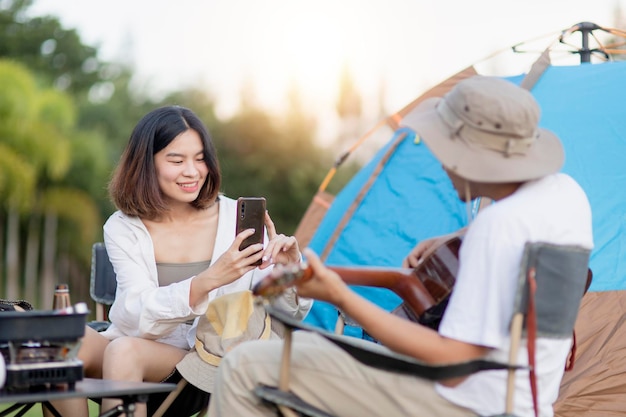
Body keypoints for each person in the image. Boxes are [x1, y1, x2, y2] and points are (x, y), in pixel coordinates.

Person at [207, 76, 593, 417]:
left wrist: (340, 296)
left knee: (244, 366)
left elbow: (452, 362)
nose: (441, 162)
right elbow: (516, 242)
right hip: (525, 396)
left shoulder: (500, 226)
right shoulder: (566, 195)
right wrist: (458, 237)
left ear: (471, 156)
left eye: (444, 150)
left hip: (467, 403)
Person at [48, 105, 312, 417]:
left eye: (200, 159)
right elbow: (133, 314)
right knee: (57, 341)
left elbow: (282, 313)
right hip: (142, 348)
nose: (193, 171)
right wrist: (207, 281)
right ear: (147, 164)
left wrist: (288, 271)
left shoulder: (234, 221)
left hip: (208, 359)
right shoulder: (123, 227)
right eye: (177, 160)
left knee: (124, 351)